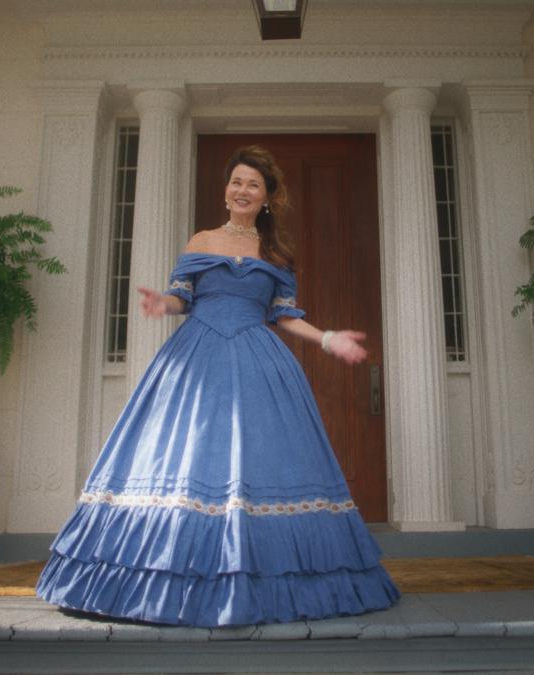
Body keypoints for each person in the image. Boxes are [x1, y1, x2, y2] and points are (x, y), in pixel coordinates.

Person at [36, 145, 401, 627]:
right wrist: (160, 305)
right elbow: (181, 299)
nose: (242, 190)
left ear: (267, 196)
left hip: (257, 360)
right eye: (236, 182)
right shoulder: (202, 240)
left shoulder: (276, 255)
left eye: (253, 183)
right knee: (187, 456)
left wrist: (329, 338)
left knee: (260, 462)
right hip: (197, 357)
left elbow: (285, 317)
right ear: (225, 191)